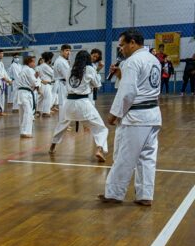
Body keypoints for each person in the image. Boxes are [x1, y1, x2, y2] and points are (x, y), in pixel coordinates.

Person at [100, 29, 162, 206]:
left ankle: (113, 194)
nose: (121, 49)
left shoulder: (132, 61)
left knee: (125, 156)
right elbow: (140, 84)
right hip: (152, 114)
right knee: (147, 157)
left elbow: (128, 92)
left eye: (122, 45)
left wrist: (114, 114)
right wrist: (120, 74)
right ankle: (145, 195)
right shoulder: (153, 59)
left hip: (136, 117)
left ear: (132, 43)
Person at [48, 50, 108, 161]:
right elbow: (97, 85)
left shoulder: (70, 69)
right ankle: (99, 149)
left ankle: (52, 147)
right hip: (83, 103)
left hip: (69, 103)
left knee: (62, 125)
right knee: (101, 128)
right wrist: (97, 71)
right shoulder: (90, 69)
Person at [16, 56, 40, 138]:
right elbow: (34, 82)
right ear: (28, 62)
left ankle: (22, 131)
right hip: (26, 93)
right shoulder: (29, 70)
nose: (34, 63)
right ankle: (25, 132)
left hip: (21, 92)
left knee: (22, 112)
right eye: (33, 62)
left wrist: (35, 78)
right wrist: (37, 80)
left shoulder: (23, 69)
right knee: (28, 112)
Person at [53, 44, 73, 121]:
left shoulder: (63, 61)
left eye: (69, 50)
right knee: (63, 104)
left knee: (65, 104)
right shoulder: (61, 61)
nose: (69, 52)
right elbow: (67, 76)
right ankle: (63, 122)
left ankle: (64, 122)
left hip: (64, 84)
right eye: (66, 50)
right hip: (63, 84)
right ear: (61, 51)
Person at [0, 49, 12, 115]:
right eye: (0, 53)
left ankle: (0, 111)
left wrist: (9, 80)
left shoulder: (1, 62)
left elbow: (4, 72)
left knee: (1, 97)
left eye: (2, 53)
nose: (1, 55)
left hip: (1, 81)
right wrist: (6, 79)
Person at [36, 52, 55, 116]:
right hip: (46, 84)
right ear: (49, 59)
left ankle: (38, 111)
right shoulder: (46, 66)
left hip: (41, 83)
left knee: (41, 98)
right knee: (48, 98)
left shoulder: (40, 66)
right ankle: (46, 112)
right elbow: (53, 74)